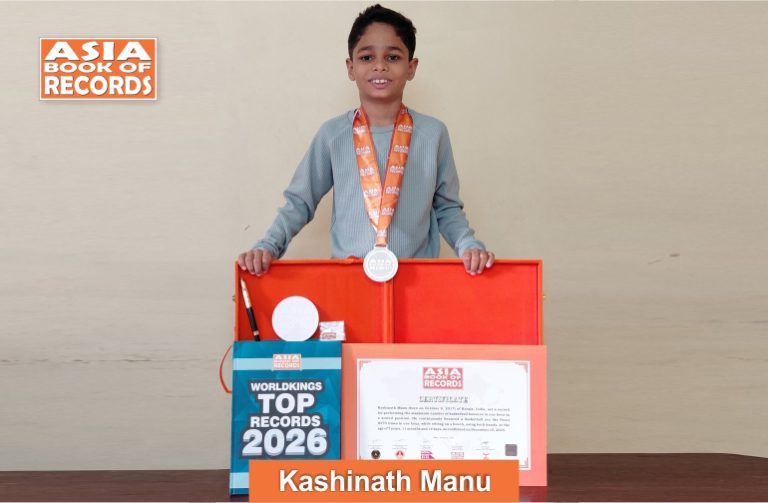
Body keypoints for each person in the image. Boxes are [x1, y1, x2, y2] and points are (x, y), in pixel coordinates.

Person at [238, 4, 494, 277]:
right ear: (351, 67)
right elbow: (299, 202)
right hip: (349, 283)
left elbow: (447, 207)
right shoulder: (332, 135)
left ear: (411, 67)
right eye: (367, 57)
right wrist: (267, 246)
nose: (380, 66)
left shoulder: (433, 134)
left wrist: (469, 246)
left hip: (418, 280)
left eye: (393, 57)